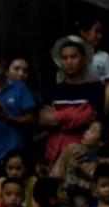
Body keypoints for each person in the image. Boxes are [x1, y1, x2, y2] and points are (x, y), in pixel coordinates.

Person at [40, 36, 104, 166]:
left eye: (73, 57)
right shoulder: (53, 91)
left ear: (84, 59)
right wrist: (77, 115)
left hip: (84, 155)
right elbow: (43, 120)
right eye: (64, 58)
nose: (69, 62)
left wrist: (57, 117)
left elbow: (92, 119)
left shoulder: (94, 89)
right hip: (55, 154)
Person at [76, 11, 109, 82]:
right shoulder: (74, 58)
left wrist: (100, 83)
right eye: (96, 31)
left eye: (100, 32)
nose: (100, 36)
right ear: (84, 33)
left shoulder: (104, 56)